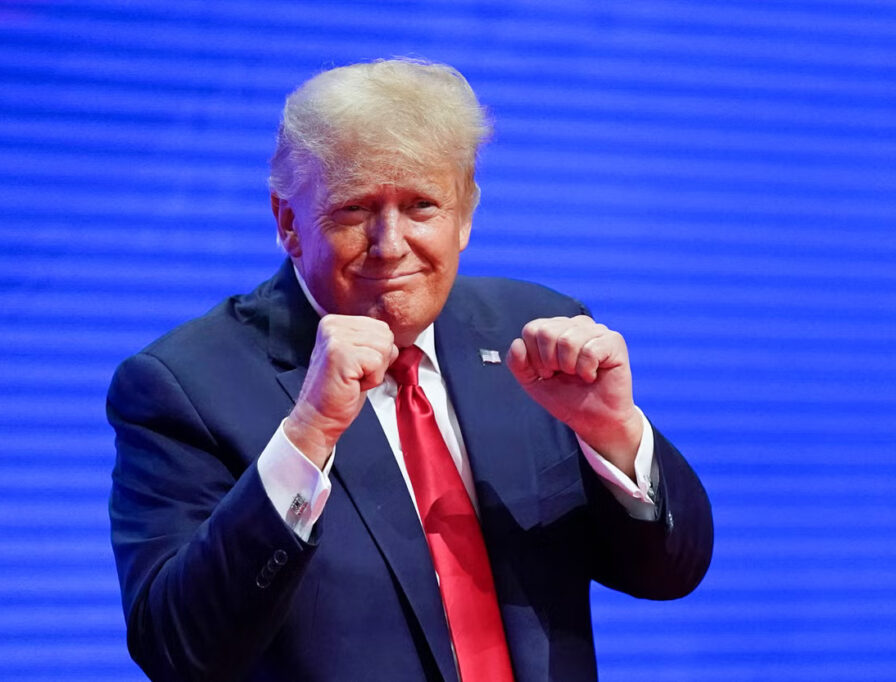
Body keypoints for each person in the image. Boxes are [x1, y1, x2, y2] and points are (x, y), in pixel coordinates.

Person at [108, 58, 713, 682]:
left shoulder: (535, 334)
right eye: (353, 209)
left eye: (422, 205)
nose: (390, 244)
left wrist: (614, 434)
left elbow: (671, 572)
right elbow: (178, 648)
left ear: (465, 215)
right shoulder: (183, 386)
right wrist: (309, 434)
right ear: (288, 222)